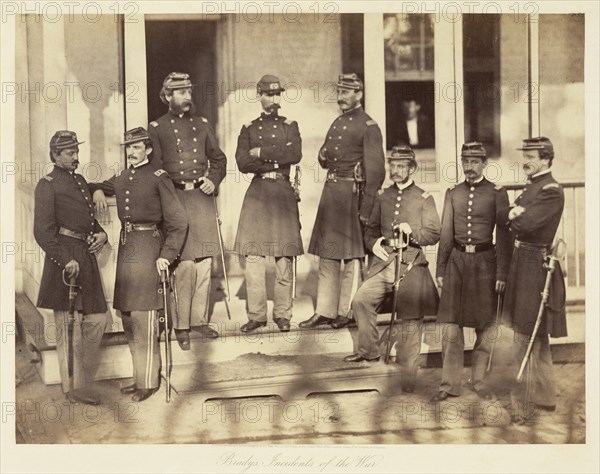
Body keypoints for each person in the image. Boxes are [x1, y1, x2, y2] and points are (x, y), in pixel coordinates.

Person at [91, 127, 188, 402]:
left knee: (145, 320)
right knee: (129, 319)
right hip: (127, 252)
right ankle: (138, 378)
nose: (131, 152)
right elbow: (90, 185)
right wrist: (99, 190)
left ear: (148, 150)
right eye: (128, 148)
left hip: (149, 251)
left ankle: (149, 381)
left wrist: (166, 255)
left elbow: (179, 222)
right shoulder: (122, 178)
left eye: (137, 147)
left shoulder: (160, 178)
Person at [347, 145, 440, 393]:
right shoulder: (382, 196)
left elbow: (433, 233)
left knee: (410, 317)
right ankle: (369, 352)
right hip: (386, 263)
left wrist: (414, 234)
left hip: (411, 265)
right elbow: (371, 230)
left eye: (401, 166)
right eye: (393, 166)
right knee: (361, 300)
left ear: (412, 168)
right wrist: (374, 242)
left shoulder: (424, 198)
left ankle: (408, 374)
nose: (395, 171)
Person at [148, 72, 227, 349]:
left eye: (189, 92)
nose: (187, 97)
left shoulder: (202, 124)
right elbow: (155, 170)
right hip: (176, 199)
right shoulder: (157, 128)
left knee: (205, 263)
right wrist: (166, 203)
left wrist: (212, 179)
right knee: (184, 264)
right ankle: (181, 325)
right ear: (168, 96)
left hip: (201, 198)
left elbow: (219, 159)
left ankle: (198, 321)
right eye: (181, 93)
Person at [300, 73, 386, 330]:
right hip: (332, 194)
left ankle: (346, 312)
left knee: (351, 258)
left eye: (346, 92)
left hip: (352, 195)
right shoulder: (338, 122)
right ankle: (325, 310)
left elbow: (377, 171)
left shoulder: (369, 126)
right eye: (339, 91)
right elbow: (325, 156)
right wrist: (322, 156)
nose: (340, 97)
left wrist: (367, 207)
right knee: (327, 254)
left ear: (359, 94)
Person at [430, 142, 512, 403]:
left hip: (485, 263)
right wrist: (441, 268)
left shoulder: (497, 193)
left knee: (486, 325)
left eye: (475, 161)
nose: (469, 166)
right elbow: (445, 234)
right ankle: (450, 384)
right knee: (450, 325)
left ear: (484, 164)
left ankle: (479, 381)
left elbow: (504, 237)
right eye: (465, 161)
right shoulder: (452, 193)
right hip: (456, 262)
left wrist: (501, 273)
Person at [34, 130, 109, 405]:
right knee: (68, 326)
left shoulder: (79, 180)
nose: (76, 157)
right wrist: (66, 261)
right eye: (70, 153)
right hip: (65, 262)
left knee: (98, 319)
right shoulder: (47, 184)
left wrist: (102, 234)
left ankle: (82, 377)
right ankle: (73, 387)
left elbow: (87, 219)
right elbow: (42, 232)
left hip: (86, 257)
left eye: (77, 151)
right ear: (55, 155)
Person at [501, 136, 567, 424]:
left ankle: (523, 401)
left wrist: (517, 215)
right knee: (532, 331)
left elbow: (525, 224)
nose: (525, 160)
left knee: (525, 331)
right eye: (524, 154)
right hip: (521, 262)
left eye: (531, 155)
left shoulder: (551, 191)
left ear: (546, 158)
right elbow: (506, 215)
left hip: (534, 265)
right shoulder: (532, 187)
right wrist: (515, 213)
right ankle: (546, 395)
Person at [233, 75, 303, 333]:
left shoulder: (290, 125)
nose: (273, 99)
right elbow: (242, 163)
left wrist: (260, 152)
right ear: (259, 95)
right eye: (268, 95)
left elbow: (294, 154)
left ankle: (283, 314)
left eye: (277, 95)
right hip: (258, 193)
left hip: (283, 193)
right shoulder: (248, 128)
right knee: (253, 257)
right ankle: (257, 315)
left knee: (285, 257)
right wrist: (274, 157)